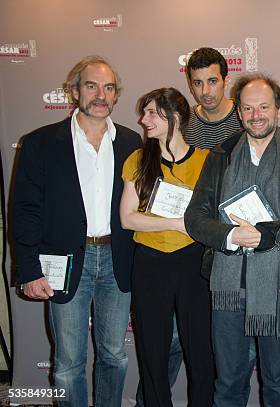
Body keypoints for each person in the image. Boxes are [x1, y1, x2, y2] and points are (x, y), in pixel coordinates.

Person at [184, 73, 280, 406]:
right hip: (227, 287)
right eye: (247, 108)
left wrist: (268, 234)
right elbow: (195, 218)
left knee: (276, 381)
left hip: (279, 286)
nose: (255, 115)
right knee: (229, 381)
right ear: (239, 113)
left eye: (263, 107)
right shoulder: (219, 156)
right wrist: (230, 235)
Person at [12, 55, 141, 406]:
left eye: (109, 87)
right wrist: (29, 270)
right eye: (91, 85)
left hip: (119, 260)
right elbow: (24, 211)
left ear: (117, 96)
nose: (101, 94)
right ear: (74, 91)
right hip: (65, 262)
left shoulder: (134, 144)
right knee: (68, 364)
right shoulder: (40, 143)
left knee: (114, 355)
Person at [120, 88, 214, 406]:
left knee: (200, 350)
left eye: (151, 113)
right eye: (144, 112)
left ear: (174, 117)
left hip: (193, 262)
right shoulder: (138, 159)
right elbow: (128, 218)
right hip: (150, 262)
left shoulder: (206, 160)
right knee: (152, 350)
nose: (143, 120)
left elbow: (215, 216)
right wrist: (173, 223)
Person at [185, 47, 243, 149]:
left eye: (212, 81)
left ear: (225, 82)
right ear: (191, 87)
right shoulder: (183, 122)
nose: (205, 91)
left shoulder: (245, 116)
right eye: (198, 83)